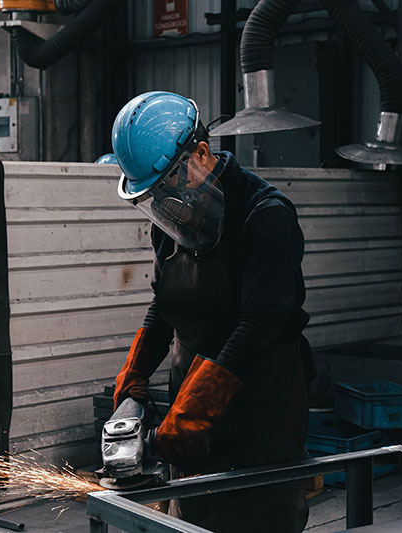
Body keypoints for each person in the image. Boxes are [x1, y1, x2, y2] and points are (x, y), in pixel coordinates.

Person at [111, 91, 313, 532]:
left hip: (260, 407)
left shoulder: (267, 216)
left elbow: (259, 324)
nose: (165, 201)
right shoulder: (172, 223)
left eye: (169, 184)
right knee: (194, 516)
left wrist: (194, 410)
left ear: (201, 153)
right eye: (155, 194)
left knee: (259, 520)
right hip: (191, 398)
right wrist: (133, 381)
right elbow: (164, 308)